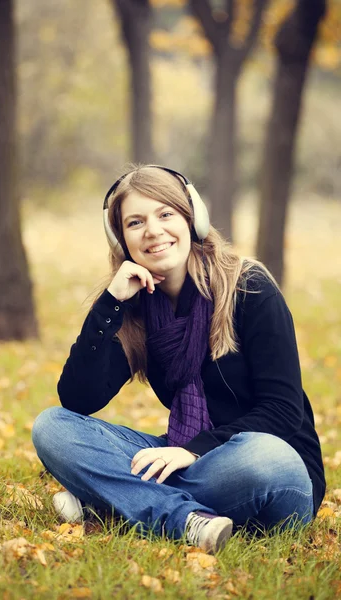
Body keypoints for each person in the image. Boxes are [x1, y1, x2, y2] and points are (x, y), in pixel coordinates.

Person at [32, 165, 325, 554]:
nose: (153, 231)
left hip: (270, 472)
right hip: (191, 459)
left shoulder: (249, 287)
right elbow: (78, 399)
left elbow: (283, 412)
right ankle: (185, 520)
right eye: (135, 222)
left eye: (165, 214)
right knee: (52, 426)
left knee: (266, 457)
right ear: (120, 240)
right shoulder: (137, 309)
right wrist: (110, 304)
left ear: (193, 219)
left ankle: (108, 502)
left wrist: (192, 451)